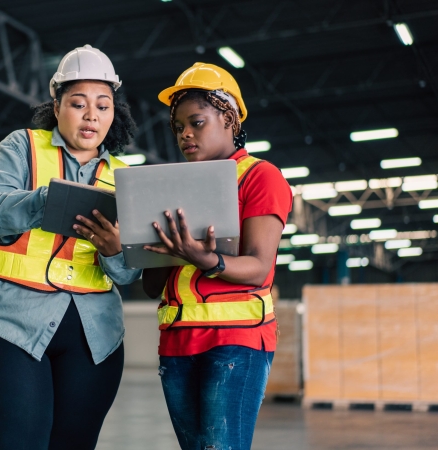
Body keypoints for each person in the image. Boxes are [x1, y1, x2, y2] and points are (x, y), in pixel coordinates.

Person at [0, 45, 141, 450]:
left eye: (103, 106)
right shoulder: (22, 147)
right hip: (3, 325)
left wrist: (113, 249)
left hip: (93, 339)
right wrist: (44, 201)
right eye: (78, 103)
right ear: (56, 105)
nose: (91, 115)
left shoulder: (125, 178)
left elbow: (126, 273)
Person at [142, 63, 293, 450]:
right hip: (176, 342)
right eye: (178, 127)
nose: (185, 134)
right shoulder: (171, 185)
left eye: (196, 122)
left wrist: (202, 257)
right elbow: (151, 286)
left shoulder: (260, 177)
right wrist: (150, 247)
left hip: (235, 341)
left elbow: (259, 269)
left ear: (229, 118)